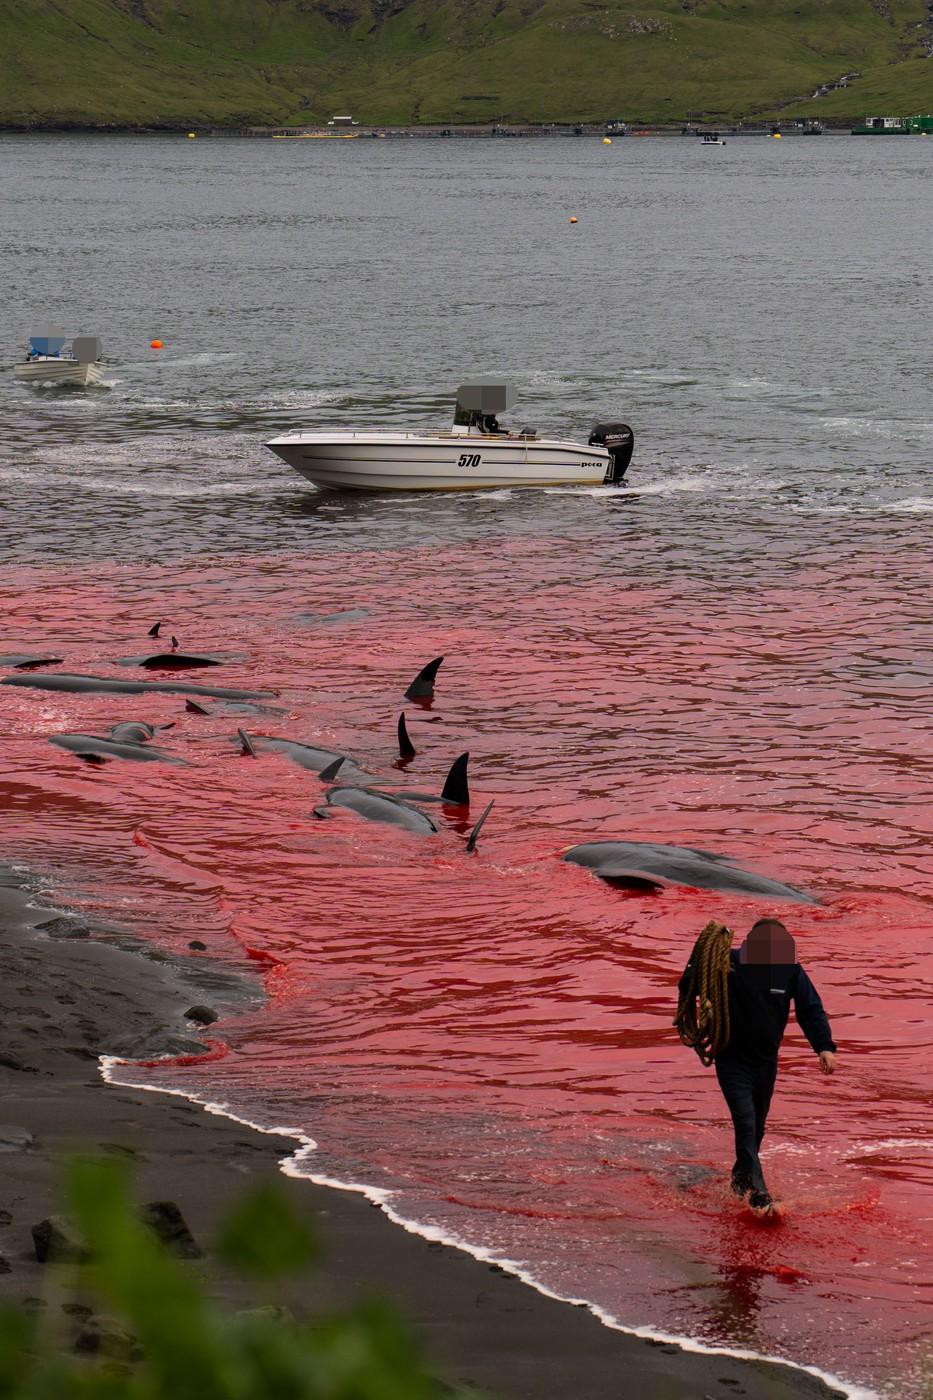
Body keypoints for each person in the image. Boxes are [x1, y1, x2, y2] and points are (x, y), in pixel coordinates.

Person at [678, 917, 836, 1214]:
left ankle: (739, 1182)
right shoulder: (728, 964)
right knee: (746, 1122)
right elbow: (688, 987)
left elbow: (809, 1007)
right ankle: (759, 1196)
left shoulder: (789, 970)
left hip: (766, 1063)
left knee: (757, 1128)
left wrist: (824, 1047)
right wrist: (698, 958)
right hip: (732, 1059)